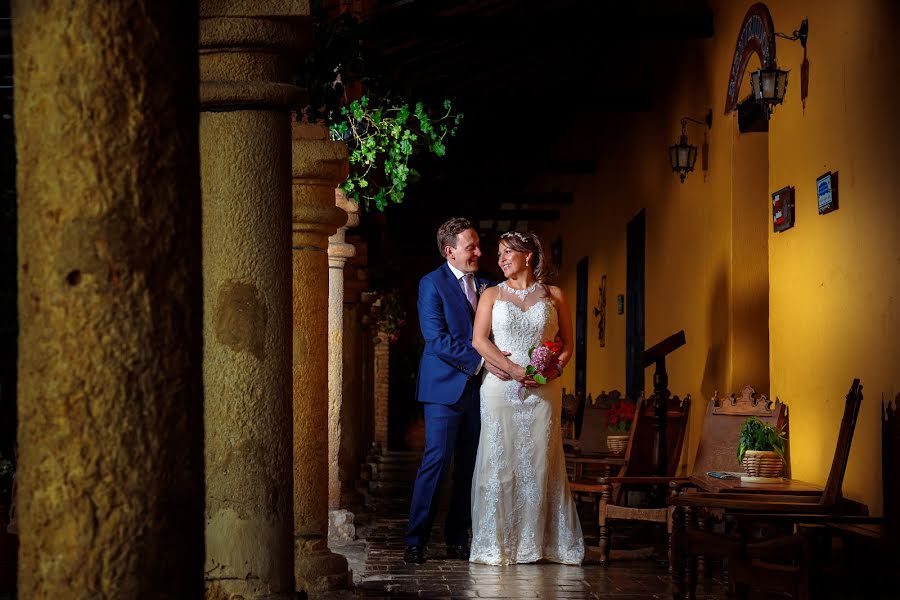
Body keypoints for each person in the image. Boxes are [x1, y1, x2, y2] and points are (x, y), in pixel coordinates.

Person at [469, 230, 584, 566]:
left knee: (540, 461)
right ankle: (497, 544)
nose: (502, 259)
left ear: (529, 255)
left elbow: (567, 344)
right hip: (501, 388)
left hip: (543, 390)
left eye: (508, 253)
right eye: (500, 254)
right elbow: (479, 340)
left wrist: (554, 369)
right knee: (499, 461)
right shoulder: (491, 294)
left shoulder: (556, 295)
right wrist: (511, 368)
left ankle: (539, 543)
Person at [403, 217, 510, 564]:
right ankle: (415, 539)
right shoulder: (430, 285)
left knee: (469, 466)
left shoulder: (487, 285)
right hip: (444, 391)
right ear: (450, 252)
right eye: (471, 247)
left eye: (478, 245)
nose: (479, 252)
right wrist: (482, 363)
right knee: (436, 462)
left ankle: (457, 537)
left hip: (480, 392)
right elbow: (437, 339)